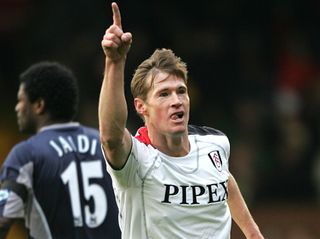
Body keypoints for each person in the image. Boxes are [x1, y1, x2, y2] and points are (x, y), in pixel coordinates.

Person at [99, 2, 264, 239]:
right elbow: (111, 137)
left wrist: (252, 232)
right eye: (164, 94)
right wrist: (114, 62)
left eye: (181, 91)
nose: (176, 100)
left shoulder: (215, 143)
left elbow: (223, 180)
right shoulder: (137, 161)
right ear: (141, 107)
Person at [0, 61, 121, 239]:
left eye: (20, 100)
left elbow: (2, 221)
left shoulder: (26, 154)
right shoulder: (106, 144)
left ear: (39, 105)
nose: (17, 107)